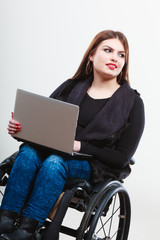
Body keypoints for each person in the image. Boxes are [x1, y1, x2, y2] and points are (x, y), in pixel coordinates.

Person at [0, 30, 145, 240]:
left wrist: (80, 146)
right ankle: (5, 219)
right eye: (108, 50)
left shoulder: (132, 103)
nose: (115, 57)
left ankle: (27, 230)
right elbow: (43, 126)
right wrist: (22, 129)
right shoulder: (71, 87)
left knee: (54, 163)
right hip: (52, 150)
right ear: (92, 55)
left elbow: (122, 157)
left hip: (93, 164)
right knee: (29, 153)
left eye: (121, 54)